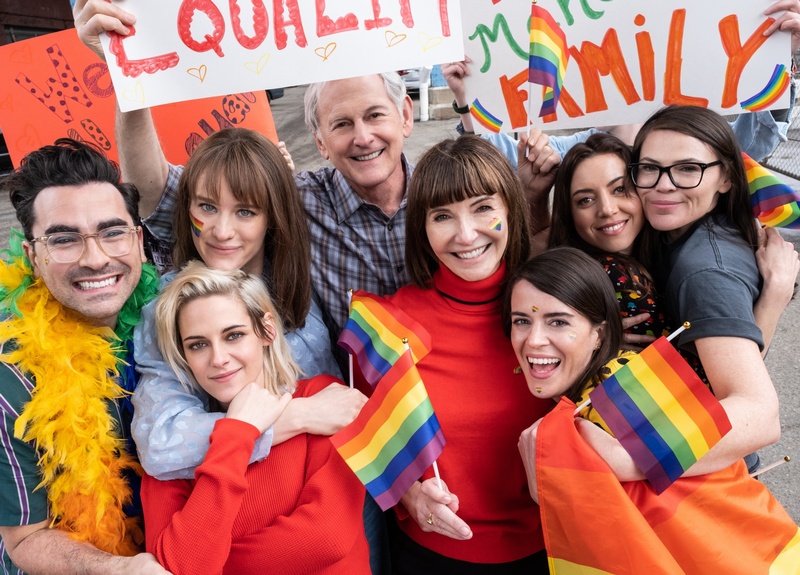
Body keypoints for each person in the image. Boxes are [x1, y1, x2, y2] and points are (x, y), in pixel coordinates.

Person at [507, 247, 799, 573]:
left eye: (558, 322)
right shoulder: (597, 387)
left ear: (598, 334)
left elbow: (699, 518)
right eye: (522, 321)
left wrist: (618, 461)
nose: (534, 340)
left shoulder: (626, 386)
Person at [360, 136, 555, 573]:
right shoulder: (386, 324)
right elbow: (373, 446)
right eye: (442, 216)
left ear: (511, 210)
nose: (466, 234)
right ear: (422, 229)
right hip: (430, 557)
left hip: (556, 551)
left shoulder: (559, 309)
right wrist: (410, 496)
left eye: (483, 208)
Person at [131, 128, 363, 481]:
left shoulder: (296, 275)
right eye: (207, 207)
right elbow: (161, 442)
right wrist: (297, 416)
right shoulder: (170, 305)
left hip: (338, 482)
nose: (222, 231)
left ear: (273, 217)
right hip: (250, 500)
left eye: (245, 212)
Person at [589, 104, 788, 479]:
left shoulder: (705, 272)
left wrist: (629, 461)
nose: (664, 184)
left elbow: (759, 414)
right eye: (650, 168)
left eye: (688, 169)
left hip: (708, 477)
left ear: (725, 177)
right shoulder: (680, 227)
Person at [0, 139, 167, 573]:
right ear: (33, 256)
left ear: (139, 241)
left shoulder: (174, 318)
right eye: (64, 239)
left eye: (112, 232)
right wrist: (119, 569)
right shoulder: (8, 378)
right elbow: (26, 538)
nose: (96, 259)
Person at [144, 262, 370, 574]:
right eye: (198, 345)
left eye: (233, 335)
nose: (218, 359)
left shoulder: (323, 400)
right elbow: (179, 567)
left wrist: (211, 560)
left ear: (266, 330)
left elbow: (327, 539)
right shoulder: (171, 452)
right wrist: (237, 434)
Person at [547, 132, 798, 354]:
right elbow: (723, 379)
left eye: (620, 189)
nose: (607, 209)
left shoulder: (663, 244)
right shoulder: (617, 275)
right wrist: (774, 297)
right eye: (585, 200)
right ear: (569, 215)